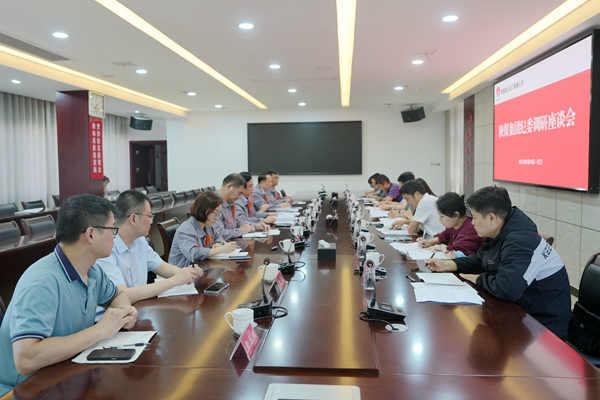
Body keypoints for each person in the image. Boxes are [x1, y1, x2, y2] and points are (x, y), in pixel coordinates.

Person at [0, 194, 138, 395]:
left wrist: (125, 312)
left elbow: (116, 296)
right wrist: (100, 330)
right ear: (91, 234)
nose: (115, 236)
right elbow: (26, 359)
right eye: (112, 229)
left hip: (66, 374)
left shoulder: (92, 270)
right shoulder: (42, 281)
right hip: (25, 389)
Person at [426, 186, 571, 339]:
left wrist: (479, 278)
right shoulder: (502, 229)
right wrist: (448, 264)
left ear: (491, 218)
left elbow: (507, 288)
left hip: (543, 326)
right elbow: (481, 259)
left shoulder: (520, 241)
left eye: (474, 217)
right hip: (521, 311)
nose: (472, 223)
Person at [96, 190, 203, 305]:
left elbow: (161, 267)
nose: (152, 221)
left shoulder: (140, 241)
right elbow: (122, 295)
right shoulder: (105, 249)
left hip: (139, 308)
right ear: (133, 219)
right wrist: (175, 281)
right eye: (150, 216)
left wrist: (188, 273)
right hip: (116, 313)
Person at [169, 191, 237, 268]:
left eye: (219, 213)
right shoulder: (186, 229)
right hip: (183, 271)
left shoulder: (207, 226)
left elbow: (218, 236)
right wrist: (220, 250)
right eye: (215, 213)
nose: (217, 217)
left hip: (201, 268)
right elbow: (193, 254)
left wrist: (218, 243)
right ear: (204, 210)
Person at [417, 192, 484, 258]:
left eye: (442, 216)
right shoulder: (454, 225)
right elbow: (443, 236)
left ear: (456, 215)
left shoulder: (468, 230)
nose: (439, 219)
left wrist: (441, 247)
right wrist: (430, 242)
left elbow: (458, 254)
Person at [214, 173, 265, 240]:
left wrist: (255, 226)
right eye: (239, 193)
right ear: (229, 186)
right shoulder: (213, 203)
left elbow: (238, 222)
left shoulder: (230, 203)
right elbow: (219, 233)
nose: (240, 197)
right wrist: (241, 231)